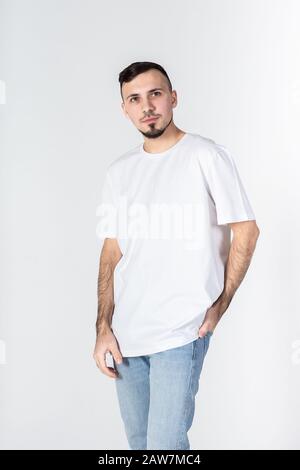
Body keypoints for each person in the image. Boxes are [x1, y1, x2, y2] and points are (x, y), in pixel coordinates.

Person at [93, 61, 260, 450]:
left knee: (165, 446)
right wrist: (103, 327)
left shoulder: (207, 156)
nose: (146, 106)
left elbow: (247, 231)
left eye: (155, 94)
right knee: (140, 446)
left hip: (182, 331)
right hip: (127, 338)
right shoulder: (120, 172)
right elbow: (111, 251)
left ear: (172, 98)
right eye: (134, 99)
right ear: (125, 109)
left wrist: (220, 304)